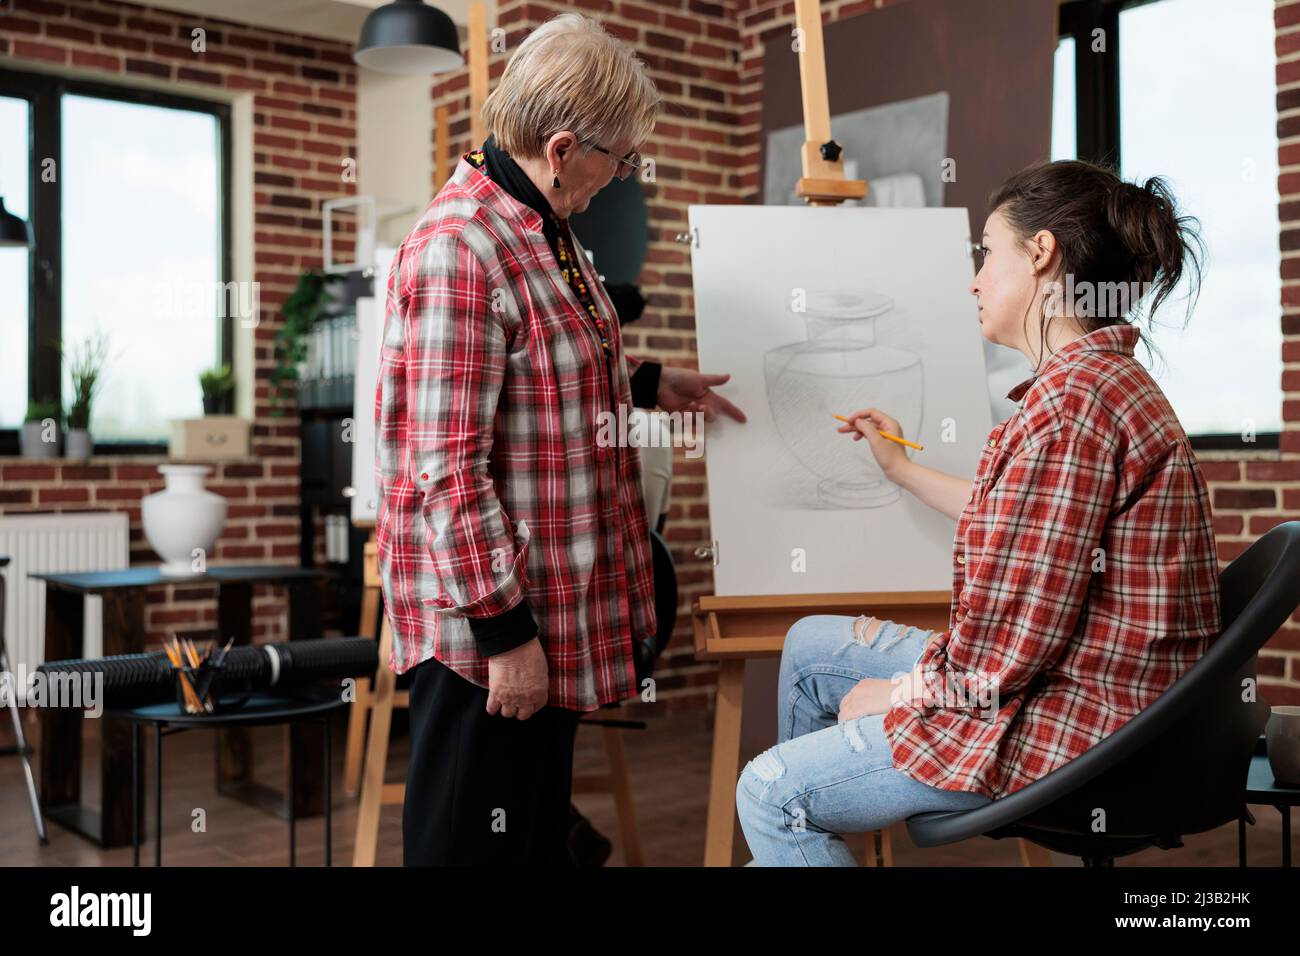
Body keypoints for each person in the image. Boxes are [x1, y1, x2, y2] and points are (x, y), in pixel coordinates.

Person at [736, 159, 1221, 866]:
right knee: (811, 645)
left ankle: (796, 838)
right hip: (1077, 684)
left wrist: (908, 693)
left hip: (1073, 718)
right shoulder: (1098, 379)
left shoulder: (1071, 410)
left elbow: (1015, 647)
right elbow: (1027, 527)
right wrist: (899, 470)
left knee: (769, 793)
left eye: (987, 252)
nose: (974, 277)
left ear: (1042, 253)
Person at [375, 12, 744, 866]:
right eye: (619, 159)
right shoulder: (459, 249)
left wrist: (648, 383)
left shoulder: (541, 220)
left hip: (550, 605)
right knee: (469, 848)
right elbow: (447, 471)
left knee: (530, 840)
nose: (622, 176)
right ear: (565, 145)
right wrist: (506, 637)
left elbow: (541, 357)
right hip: (490, 625)